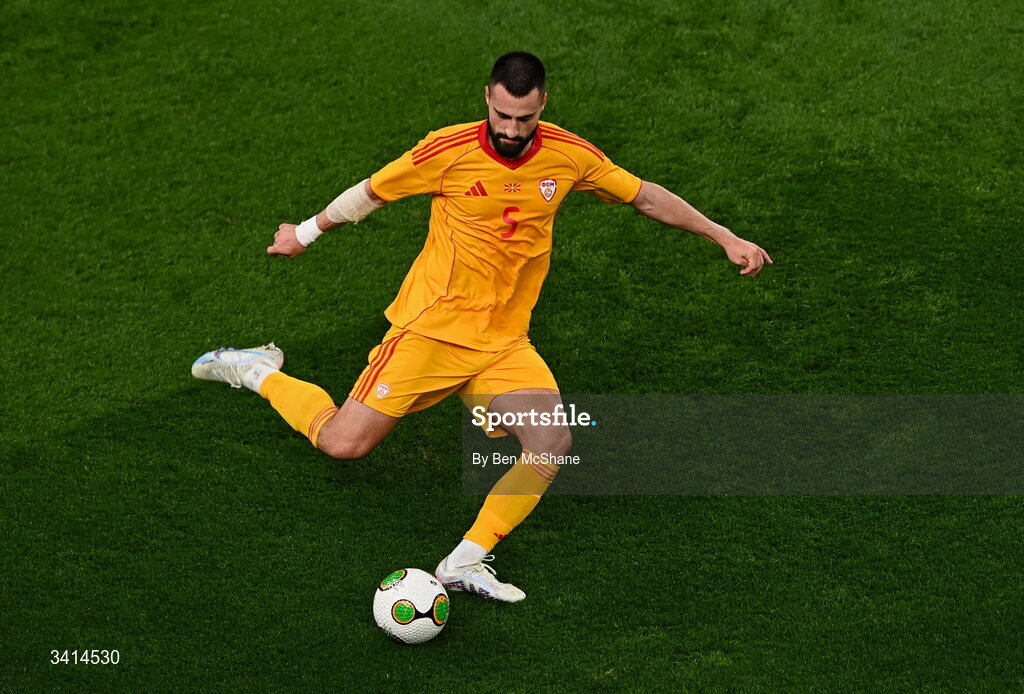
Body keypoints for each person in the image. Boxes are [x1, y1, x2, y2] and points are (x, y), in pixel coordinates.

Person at [192, 52, 772, 603]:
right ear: (486, 100)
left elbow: (644, 196)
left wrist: (725, 236)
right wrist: (305, 233)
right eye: (502, 115)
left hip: (503, 343)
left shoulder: (569, 156)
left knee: (553, 442)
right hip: (431, 331)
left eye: (526, 118)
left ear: (542, 104)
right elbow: (370, 193)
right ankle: (257, 371)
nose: (513, 129)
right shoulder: (445, 150)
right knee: (344, 443)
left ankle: (465, 561)